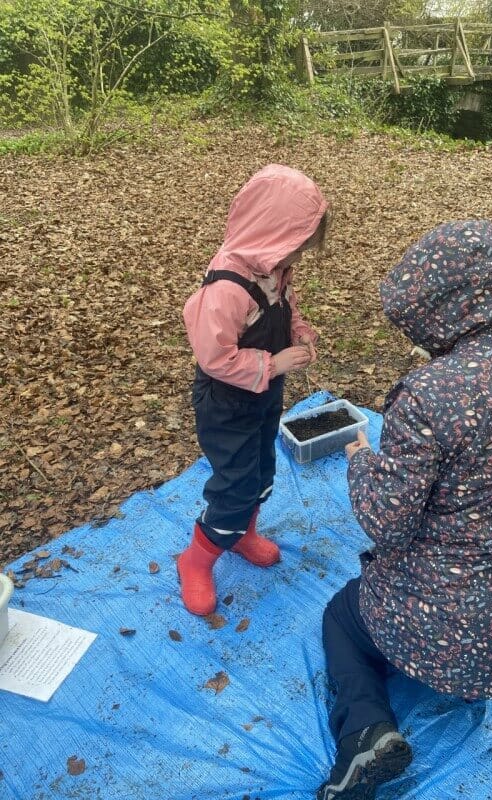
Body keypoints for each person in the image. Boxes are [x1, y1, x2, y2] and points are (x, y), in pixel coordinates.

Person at [317, 220, 492, 800]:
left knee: (340, 616)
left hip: (445, 632)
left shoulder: (431, 393)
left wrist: (362, 460)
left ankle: (365, 730)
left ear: (441, 310)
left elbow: (386, 521)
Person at [178, 164, 329, 617]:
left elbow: (286, 305)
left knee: (262, 471)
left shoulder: (272, 267)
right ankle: (197, 560)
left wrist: (300, 333)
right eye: (297, 248)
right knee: (235, 484)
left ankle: (242, 533)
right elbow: (215, 357)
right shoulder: (226, 289)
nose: (296, 259)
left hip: (263, 394)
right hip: (226, 402)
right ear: (272, 233)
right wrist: (273, 362)